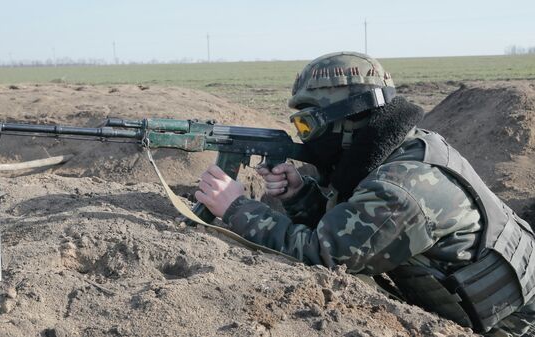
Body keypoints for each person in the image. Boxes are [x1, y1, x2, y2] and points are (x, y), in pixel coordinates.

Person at [194, 52, 535, 336]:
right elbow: (354, 225)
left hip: (513, 327)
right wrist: (301, 195)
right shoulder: (405, 146)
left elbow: (324, 257)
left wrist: (236, 207)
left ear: (349, 119)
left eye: (307, 125)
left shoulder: (404, 188)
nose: (306, 137)